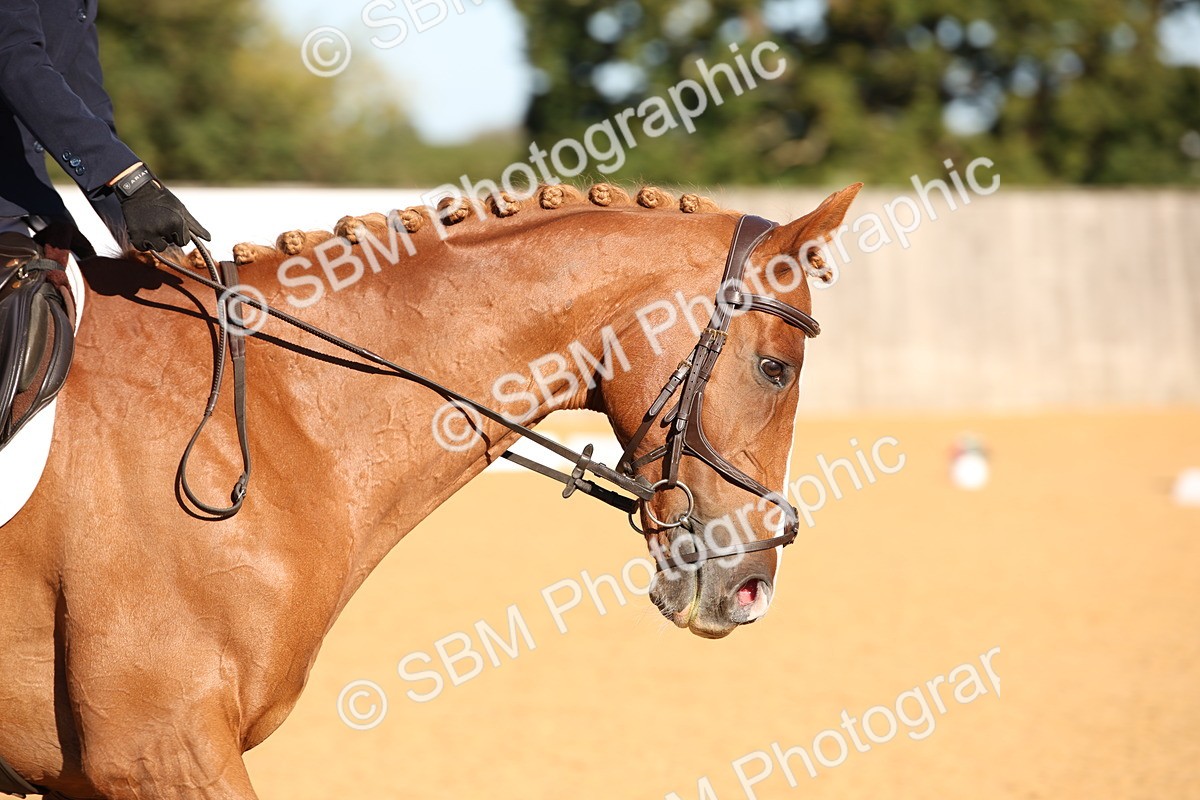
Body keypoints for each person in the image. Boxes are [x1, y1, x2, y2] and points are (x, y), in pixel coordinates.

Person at [0, 0, 209, 253]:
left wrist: (155, 235)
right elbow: (15, 63)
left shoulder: (81, 6)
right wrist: (129, 180)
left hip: (28, 198)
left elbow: (93, 113)